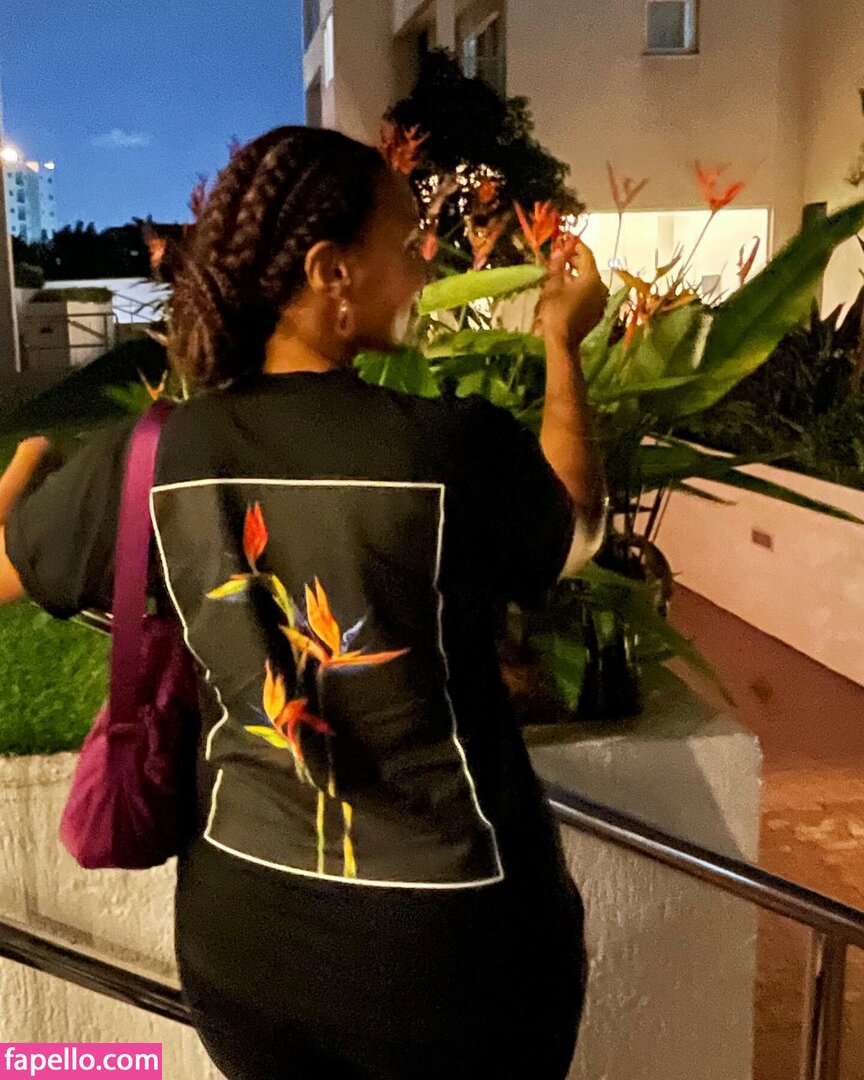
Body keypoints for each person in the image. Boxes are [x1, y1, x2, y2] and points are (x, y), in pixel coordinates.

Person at [0, 126, 607, 1079]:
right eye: (406, 242)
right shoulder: (449, 448)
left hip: (250, 955)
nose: (426, 264)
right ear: (331, 272)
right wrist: (561, 344)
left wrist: (26, 466)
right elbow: (576, 529)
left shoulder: (153, 456)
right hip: (461, 962)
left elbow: (16, 564)